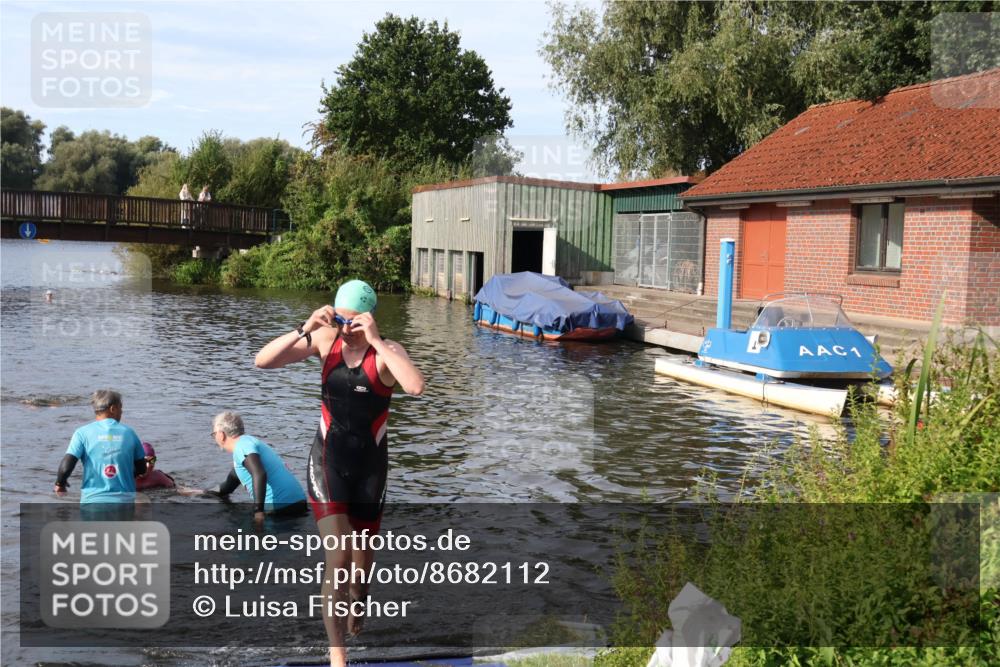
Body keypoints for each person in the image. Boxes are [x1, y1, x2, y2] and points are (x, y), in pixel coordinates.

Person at [254, 279, 424, 667]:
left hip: (370, 471)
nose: (345, 329)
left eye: (354, 322)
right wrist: (305, 327)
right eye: (340, 319)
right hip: (327, 463)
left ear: (368, 319)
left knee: (361, 567)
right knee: (339, 554)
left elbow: (415, 386)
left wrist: (378, 341)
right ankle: (338, 656)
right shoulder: (324, 340)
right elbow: (262, 361)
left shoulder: (386, 352)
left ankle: (358, 605)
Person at [205, 410, 307, 523]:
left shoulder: (242, 447)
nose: (214, 438)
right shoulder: (248, 445)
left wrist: (258, 512)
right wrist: (195, 492)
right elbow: (227, 487)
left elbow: (259, 473)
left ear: (221, 435)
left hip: (279, 509)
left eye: (214, 434)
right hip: (300, 503)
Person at [54, 389, 147, 503]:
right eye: (120, 408)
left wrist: (60, 484)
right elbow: (142, 468)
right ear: (113, 409)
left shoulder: (82, 433)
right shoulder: (129, 433)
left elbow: (66, 467)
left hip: (92, 502)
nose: (121, 412)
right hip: (124, 502)